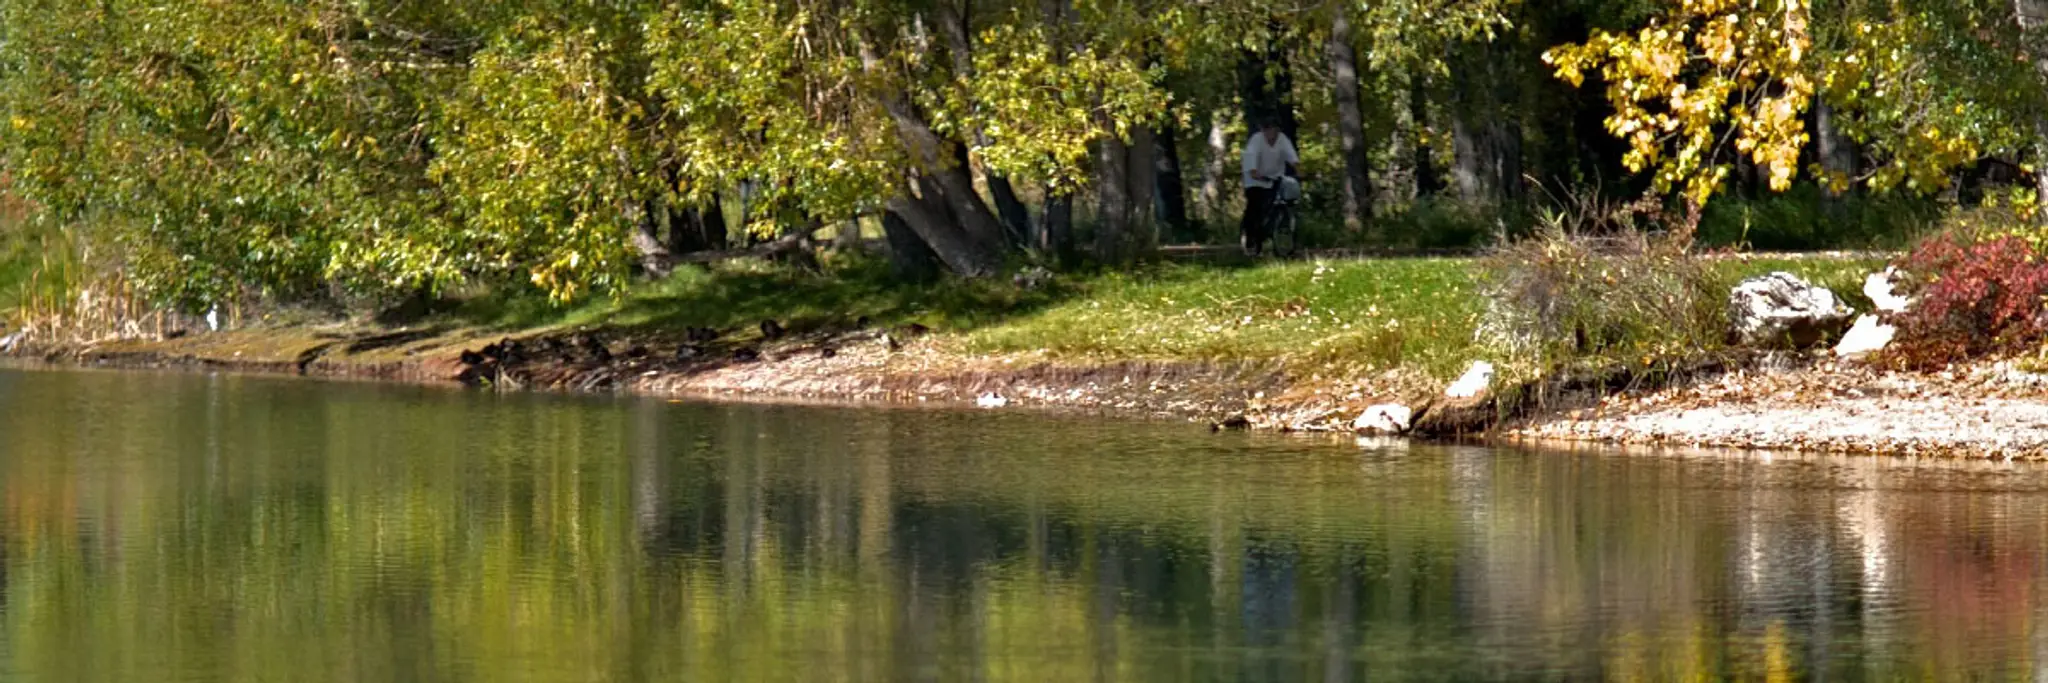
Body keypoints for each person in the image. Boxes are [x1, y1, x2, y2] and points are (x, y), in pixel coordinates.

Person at [1240, 120, 1299, 256]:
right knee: (1255, 207)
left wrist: (1300, 171)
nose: (1270, 132)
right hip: (1255, 179)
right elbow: (1251, 159)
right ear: (1262, 130)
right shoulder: (1256, 141)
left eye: (1273, 129)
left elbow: (1293, 158)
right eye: (1267, 129)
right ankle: (1250, 237)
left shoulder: (1283, 140)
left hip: (1275, 177)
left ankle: (1279, 231)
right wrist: (1255, 173)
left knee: (1280, 200)